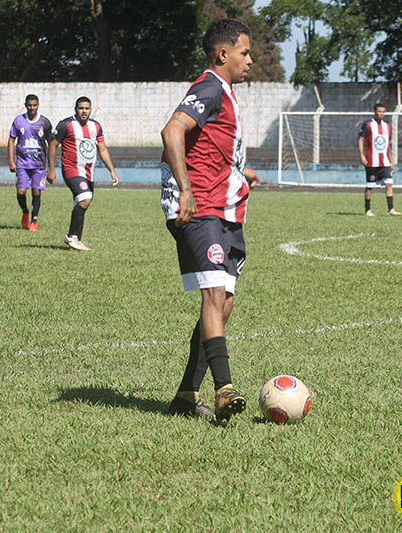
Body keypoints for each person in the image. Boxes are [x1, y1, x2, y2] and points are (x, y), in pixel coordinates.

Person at [160, 19, 257, 421]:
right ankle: (224, 389)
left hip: (225, 207)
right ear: (223, 54)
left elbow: (211, 146)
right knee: (214, 294)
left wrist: (241, 173)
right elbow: (172, 131)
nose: (249, 60)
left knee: (224, 303)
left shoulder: (225, 93)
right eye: (244, 52)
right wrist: (185, 190)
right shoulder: (210, 86)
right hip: (199, 208)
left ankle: (186, 396)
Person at [46, 97, 119, 251]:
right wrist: (51, 169)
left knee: (83, 202)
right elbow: (52, 146)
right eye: (81, 108)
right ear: (75, 109)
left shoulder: (96, 126)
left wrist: (111, 170)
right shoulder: (66, 124)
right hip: (71, 169)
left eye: (87, 108)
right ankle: (71, 236)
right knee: (85, 198)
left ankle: (76, 239)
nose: (84, 111)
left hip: (88, 172)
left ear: (91, 109)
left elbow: (102, 149)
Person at [8, 94, 52, 231]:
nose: (32, 108)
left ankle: (34, 221)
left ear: (38, 105)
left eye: (34, 105)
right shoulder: (19, 121)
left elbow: (51, 144)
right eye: (29, 105)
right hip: (22, 163)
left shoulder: (44, 122)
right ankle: (25, 211)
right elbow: (11, 140)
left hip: (39, 165)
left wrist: (51, 167)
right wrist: (11, 161)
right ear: (25, 105)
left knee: (36, 191)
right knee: (21, 191)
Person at [358, 102, 401, 216]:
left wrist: (391, 161)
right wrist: (361, 155)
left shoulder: (387, 126)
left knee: (389, 184)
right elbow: (361, 139)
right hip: (371, 162)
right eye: (379, 111)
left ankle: (391, 209)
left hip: (385, 162)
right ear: (374, 112)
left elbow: (387, 145)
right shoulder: (367, 124)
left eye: (383, 112)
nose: (381, 114)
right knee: (370, 186)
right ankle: (368, 210)